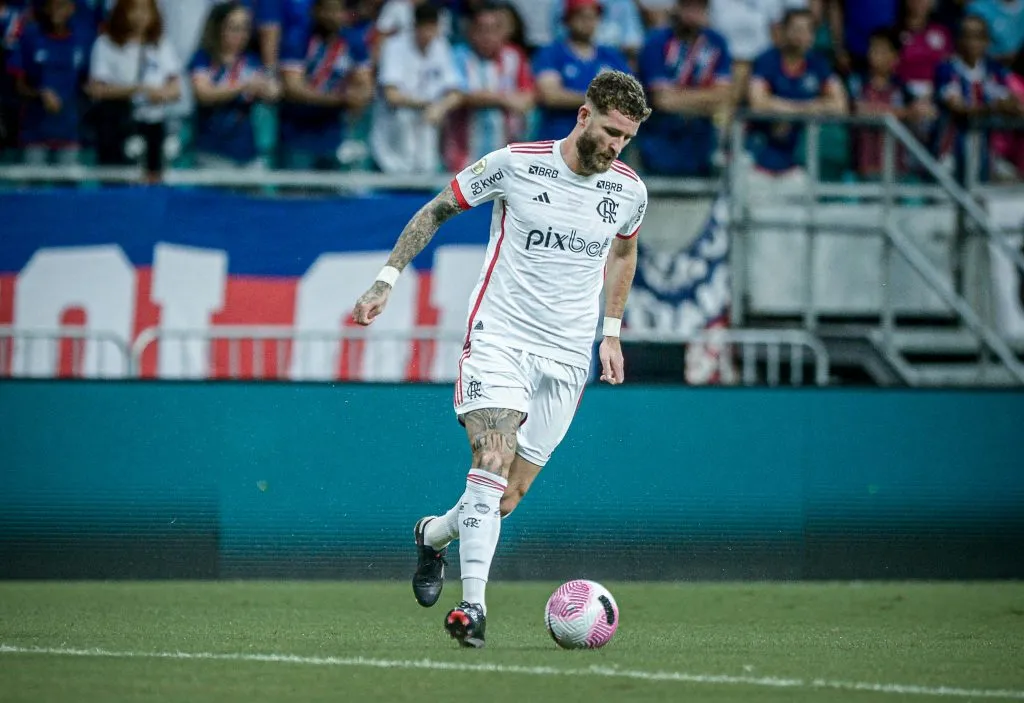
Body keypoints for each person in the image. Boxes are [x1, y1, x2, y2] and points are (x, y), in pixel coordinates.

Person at [351, 70, 650, 648]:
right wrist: (386, 280)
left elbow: (624, 251)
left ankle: (433, 536)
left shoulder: (629, 191)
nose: (616, 147)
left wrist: (610, 332)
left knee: (505, 497)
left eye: (627, 139)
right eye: (611, 131)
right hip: (501, 338)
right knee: (492, 456)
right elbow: (438, 209)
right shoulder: (515, 163)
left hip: (567, 357)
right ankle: (473, 608)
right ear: (584, 115)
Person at [87, 0, 181, 180]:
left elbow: (176, 88)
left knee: (153, 179)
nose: (140, 16)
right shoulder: (105, 44)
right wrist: (138, 90)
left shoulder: (161, 45)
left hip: (154, 124)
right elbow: (96, 89)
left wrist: (161, 94)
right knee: (116, 180)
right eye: (134, 10)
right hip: (117, 124)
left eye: (146, 10)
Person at [638, 0, 732, 177]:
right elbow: (662, 100)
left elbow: (724, 96)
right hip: (661, 140)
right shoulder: (656, 42)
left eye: (699, 7)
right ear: (677, 7)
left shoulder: (717, 43)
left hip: (701, 142)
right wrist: (706, 100)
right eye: (688, 6)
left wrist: (678, 97)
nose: (693, 13)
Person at [278, 0, 372, 169]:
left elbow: (365, 85)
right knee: (296, 194)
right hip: (297, 136)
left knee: (333, 194)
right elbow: (293, 89)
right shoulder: (297, 39)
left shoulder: (353, 41)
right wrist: (340, 99)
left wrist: (358, 97)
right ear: (315, 11)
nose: (332, 17)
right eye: (327, 10)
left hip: (335, 136)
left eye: (337, 11)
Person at [370, 3, 460, 173]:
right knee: (395, 176)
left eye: (432, 28)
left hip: (426, 129)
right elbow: (391, 95)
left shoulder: (441, 46)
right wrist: (428, 105)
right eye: (424, 28)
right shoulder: (394, 46)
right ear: (415, 26)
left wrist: (440, 107)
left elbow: (455, 93)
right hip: (395, 129)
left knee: (425, 176)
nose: (428, 34)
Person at [190, 1, 279, 168]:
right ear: (218, 28)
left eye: (245, 28)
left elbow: (273, 92)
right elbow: (204, 94)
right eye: (234, 28)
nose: (241, 35)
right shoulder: (203, 59)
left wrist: (268, 85)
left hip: (247, 152)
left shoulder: (252, 61)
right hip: (211, 151)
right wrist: (244, 86)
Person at [533, 0, 630, 142]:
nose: (588, 22)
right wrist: (600, 100)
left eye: (593, 17)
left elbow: (627, 96)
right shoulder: (551, 52)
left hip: (600, 143)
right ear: (567, 19)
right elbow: (550, 95)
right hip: (558, 140)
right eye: (581, 16)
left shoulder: (611, 55)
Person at [10, 0, 92, 166]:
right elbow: (17, 86)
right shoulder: (30, 36)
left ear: (72, 8)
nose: (57, 10)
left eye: (62, 5)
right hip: (34, 131)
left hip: (69, 130)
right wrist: (41, 93)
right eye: (52, 5)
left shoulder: (83, 39)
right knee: (32, 187)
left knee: (69, 187)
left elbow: (87, 83)